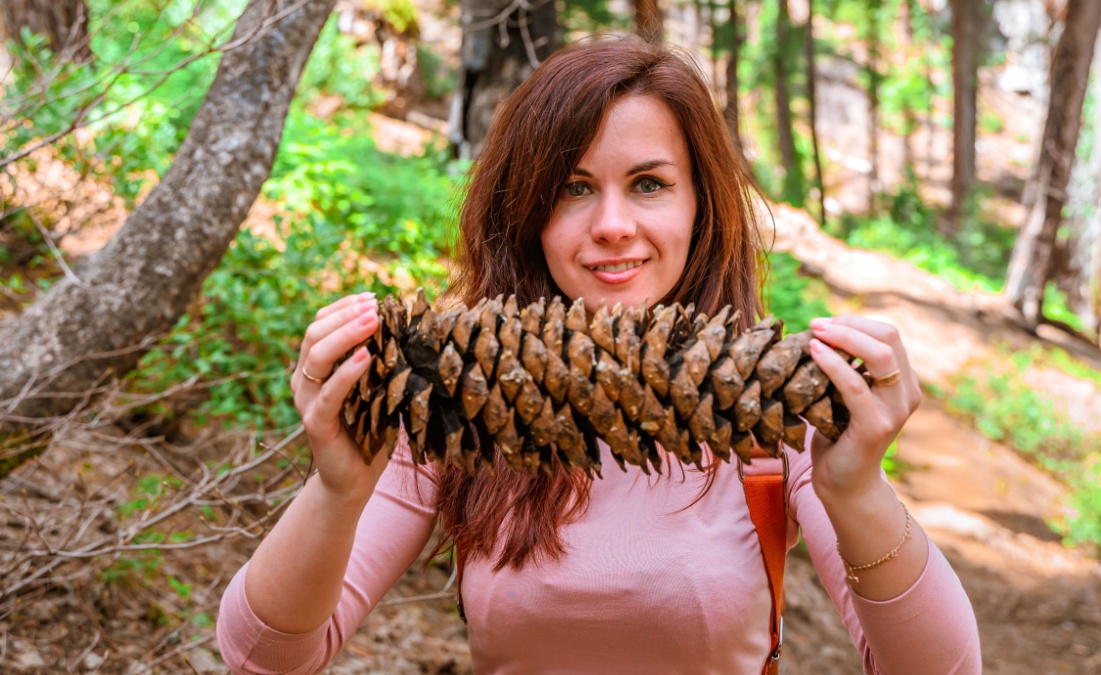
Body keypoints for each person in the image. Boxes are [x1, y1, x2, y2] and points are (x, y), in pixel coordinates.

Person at [217, 37, 982, 674]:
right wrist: (335, 490)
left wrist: (859, 492)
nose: (612, 224)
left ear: (699, 206)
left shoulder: (771, 411)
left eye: (648, 183)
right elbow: (261, 659)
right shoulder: (458, 397)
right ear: (526, 214)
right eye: (574, 188)